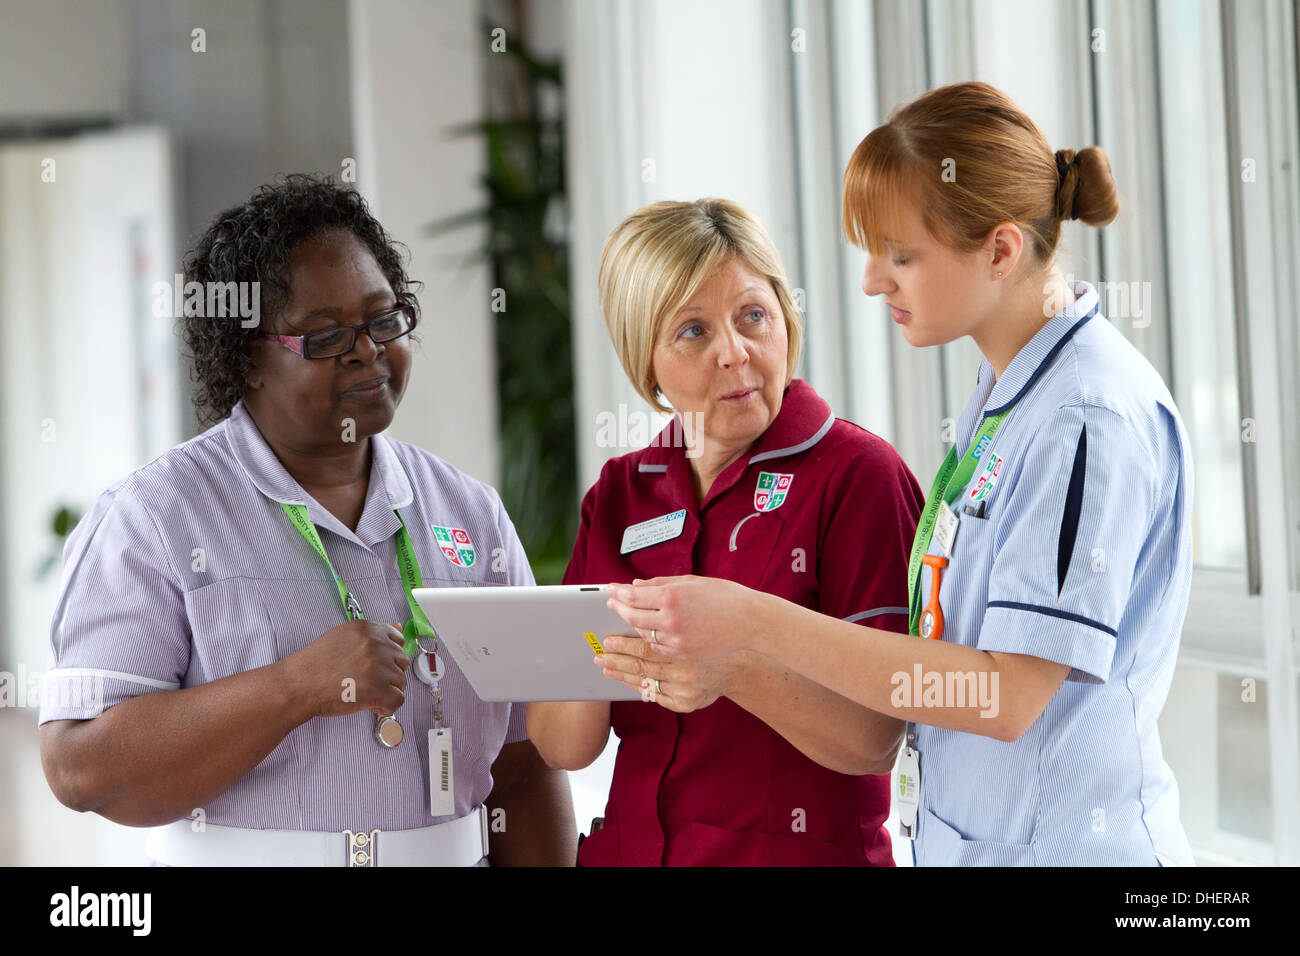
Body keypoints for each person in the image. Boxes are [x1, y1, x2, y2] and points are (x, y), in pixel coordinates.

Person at [604, 81, 1196, 866]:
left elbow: (1001, 695)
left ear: (1001, 249)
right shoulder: (1005, 397)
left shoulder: (1084, 414)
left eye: (901, 255)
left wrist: (749, 625)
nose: (873, 281)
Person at [37, 175, 575, 866]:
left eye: (385, 320)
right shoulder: (154, 519)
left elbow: (526, 764)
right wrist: (293, 689)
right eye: (325, 337)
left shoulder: (470, 513)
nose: (367, 350)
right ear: (247, 360)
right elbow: (80, 769)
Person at [527, 198, 925, 866]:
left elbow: (874, 738)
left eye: (752, 317)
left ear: (786, 323)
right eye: (692, 331)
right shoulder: (621, 492)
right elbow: (564, 746)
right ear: (646, 362)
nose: (734, 353)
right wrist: (584, 658)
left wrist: (733, 667)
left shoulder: (859, 475)